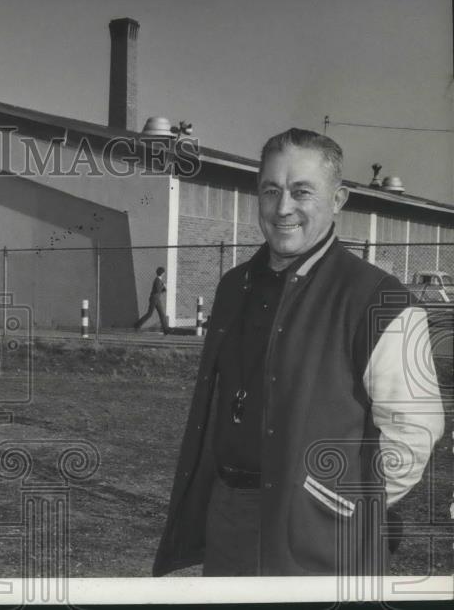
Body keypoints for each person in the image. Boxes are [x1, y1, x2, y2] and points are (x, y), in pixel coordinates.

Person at [153, 128, 445, 577]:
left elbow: (415, 430)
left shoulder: (379, 299)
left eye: (301, 191)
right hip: (228, 515)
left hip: (318, 536)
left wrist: (338, 502)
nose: (283, 207)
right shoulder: (235, 286)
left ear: (339, 199)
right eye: (270, 190)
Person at [135, 266, 171, 334]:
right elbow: (157, 290)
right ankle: (137, 325)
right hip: (154, 299)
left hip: (156, 299)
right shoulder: (157, 280)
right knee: (150, 314)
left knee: (161, 314)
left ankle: (166, 330)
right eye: (164, 272)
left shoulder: (159, 280)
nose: (164, 274)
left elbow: (159, 290)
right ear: (162, 273)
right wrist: (163, 286)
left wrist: (164, 288)